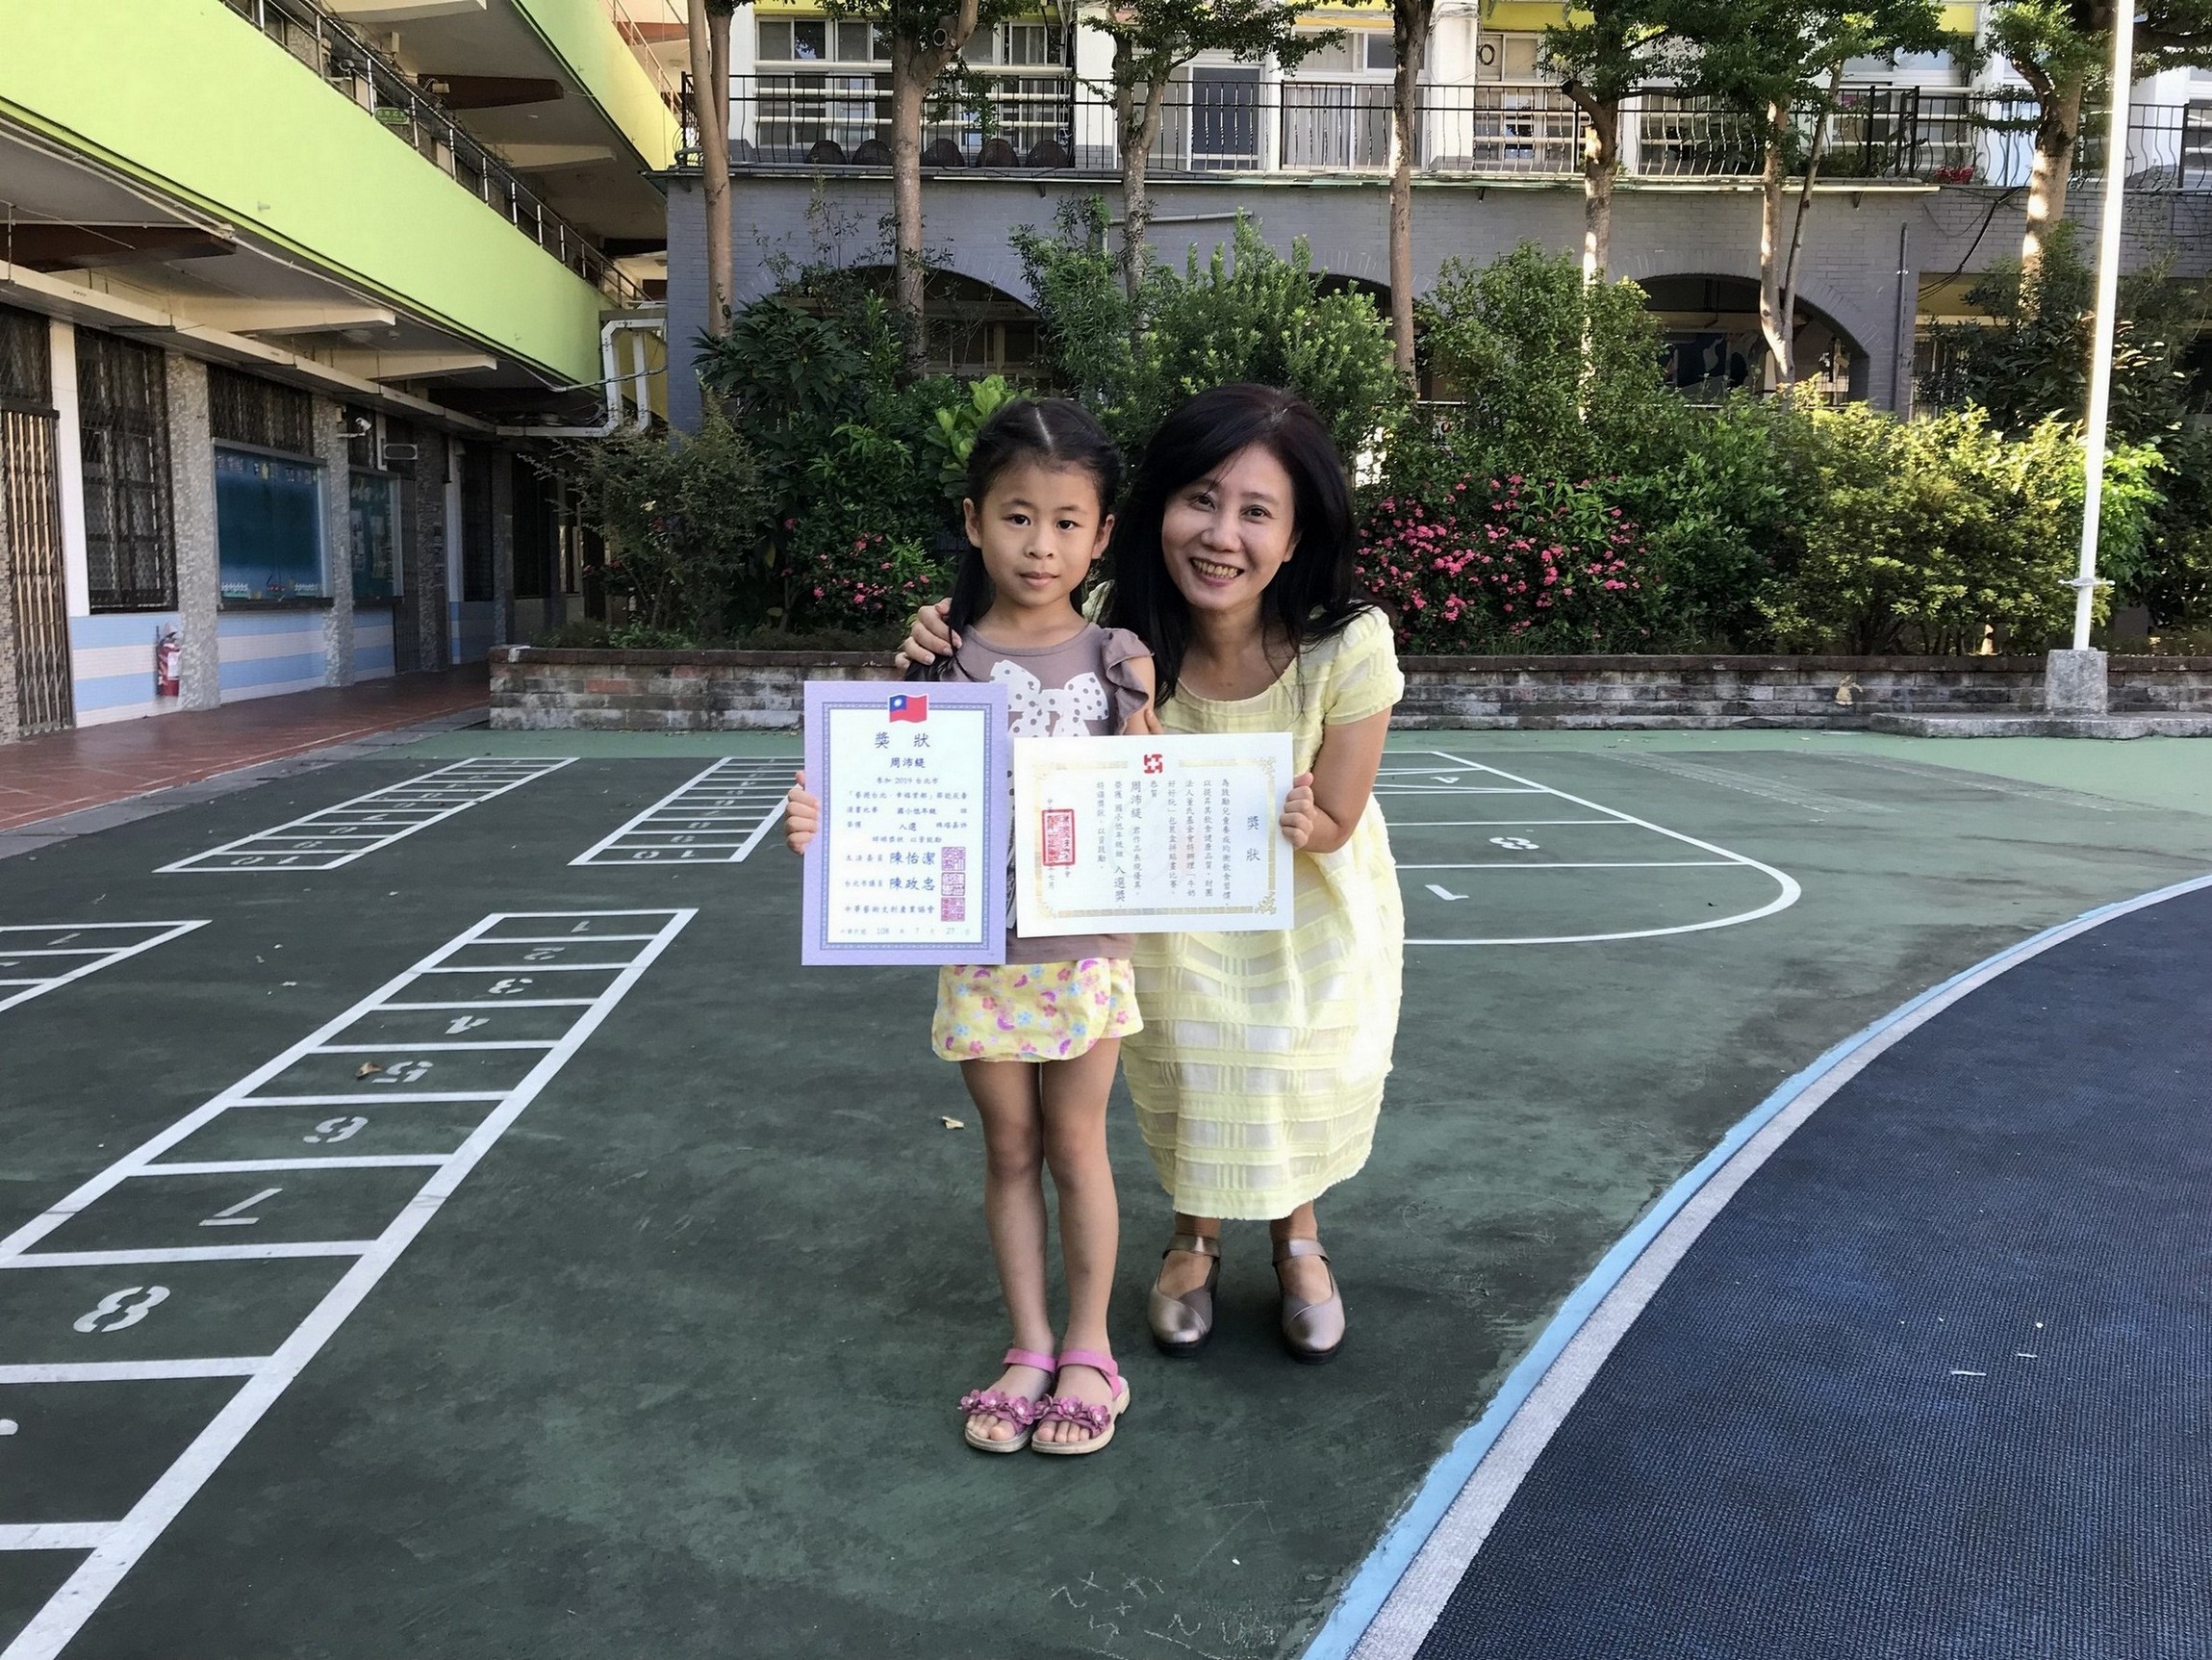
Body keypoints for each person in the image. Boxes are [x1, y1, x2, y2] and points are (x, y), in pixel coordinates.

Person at [901, 383, 1404, 1365]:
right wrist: (936, 641)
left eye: (1256, 511)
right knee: (1188, 1064)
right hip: (1153, 896)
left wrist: (1308, 815)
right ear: (1156, 510)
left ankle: (1297, 1237)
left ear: (1295, 535)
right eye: (1200, 500)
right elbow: (1008, 657)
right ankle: (1193, 1237)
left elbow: (1338, 819)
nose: (1220, 535)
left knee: (1282, 1065)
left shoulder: (1347, 642)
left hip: (1305, 899)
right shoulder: (1114, 632)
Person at [785, 398, 1156, 1455]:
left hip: (1082, 953)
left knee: (1077, 1146)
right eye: (1016, 517)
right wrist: (819, 821)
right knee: (1010, 1147)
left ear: (1101, 533)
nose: (1040, 545)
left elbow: (1155, 794)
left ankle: (1090, 1348)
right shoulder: (937, 660)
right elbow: (876, 788)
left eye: (1066, 522)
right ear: (973, 521)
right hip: (980, 949)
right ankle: (1029, 1344)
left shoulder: (1119, 658)